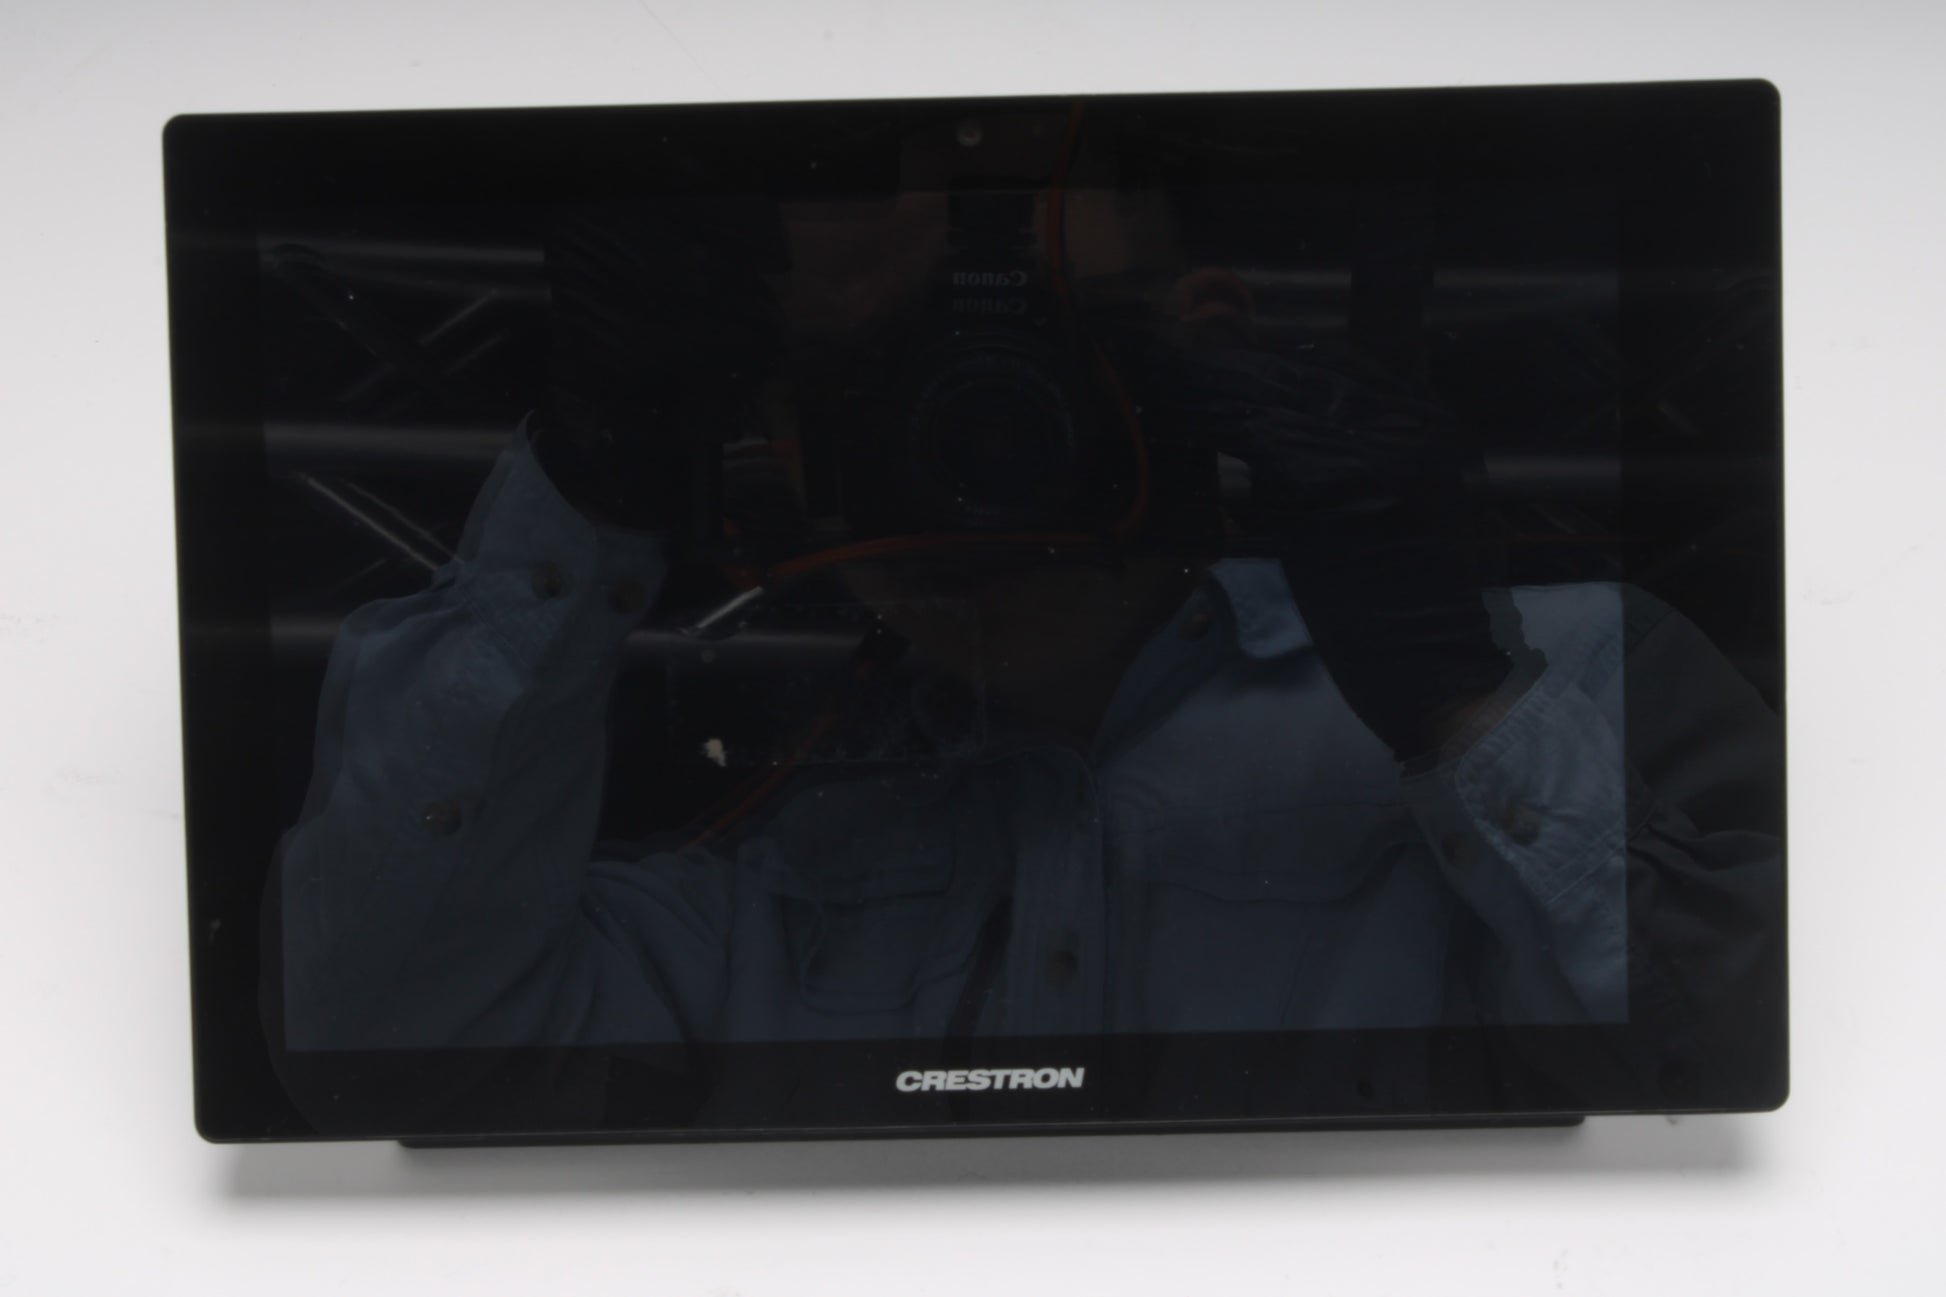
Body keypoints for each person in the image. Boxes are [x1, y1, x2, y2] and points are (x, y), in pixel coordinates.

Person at [269, 178, 1782, 1124]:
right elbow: (380, 1053)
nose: (953, 444)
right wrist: (584, 485)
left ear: (1209, 342)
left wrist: (1457, 704)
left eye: (1007, 364)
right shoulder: (757, 841)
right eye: (864, 387)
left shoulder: (1572, 681)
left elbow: (1748, 1079)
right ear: (770, 432)